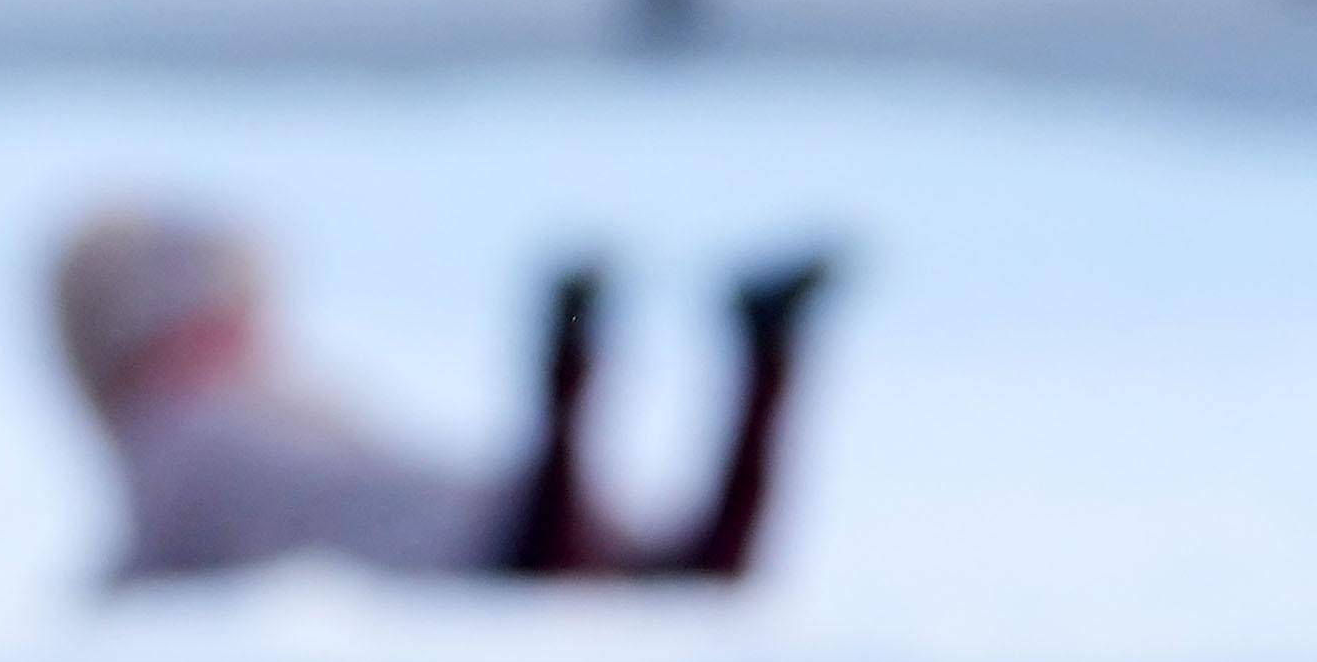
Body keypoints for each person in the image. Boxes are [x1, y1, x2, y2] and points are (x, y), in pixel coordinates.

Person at [46, 204, 838, 589]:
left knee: (702, 580)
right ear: (143, 335)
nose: (247, 339)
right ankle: (729, 348)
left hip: (482, 527)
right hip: (454, 560)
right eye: (217, 321)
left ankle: (760, 345)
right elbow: (145, 567)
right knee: (692, 579)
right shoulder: (176, 435)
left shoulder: (277, 401)